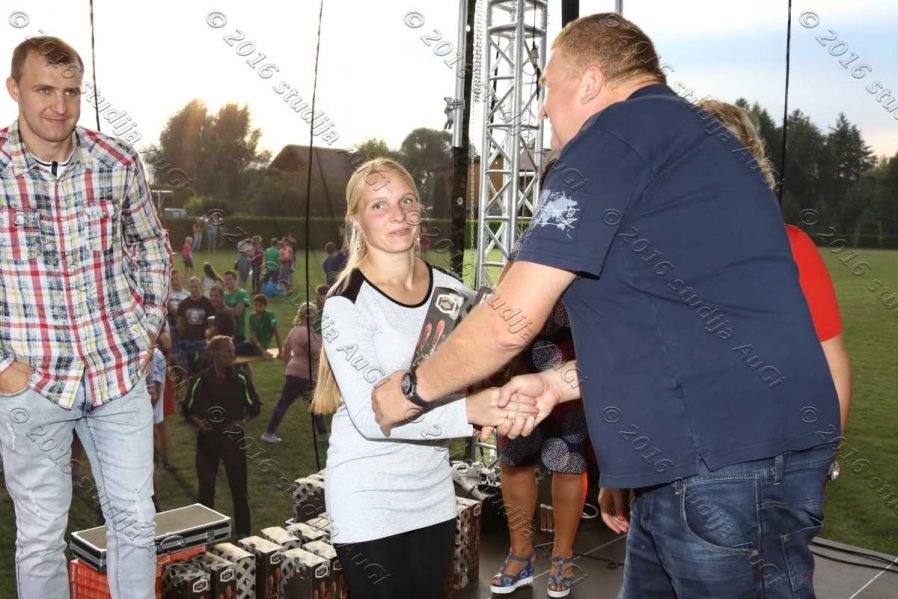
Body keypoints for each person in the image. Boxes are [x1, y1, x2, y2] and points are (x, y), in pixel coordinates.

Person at [372, 14, 842, 598]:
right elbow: (682, 330)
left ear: (590, 82)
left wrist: (411, 390)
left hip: (717, 467)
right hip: (735, 457)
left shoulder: (610, 139)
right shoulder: (711, 143)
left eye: (548, 87)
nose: (542, 109)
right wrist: (555, 385)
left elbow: (510, 320)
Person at [310, 158, 537, 598]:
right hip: (367, 499)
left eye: (406, 201)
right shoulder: (345, 303)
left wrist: (492, 391)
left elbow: (479, 363)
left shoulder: (451, 290)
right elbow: (374, 418)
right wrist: (469, 412)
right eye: (379, 205)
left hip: (433, 493)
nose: (397, 214)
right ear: (355, 220)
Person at [0, 36, 171, 598]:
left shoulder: (116, 161)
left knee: (136, 522)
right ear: (14, 89)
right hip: (31, 383)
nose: (60, 105)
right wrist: (3, 367)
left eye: (71, 91)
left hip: (116, 375)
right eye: (44, 89)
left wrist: (144, 332)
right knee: (40, 537)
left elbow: (151, 245)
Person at [696, 99, 852, 432]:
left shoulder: (791, 247)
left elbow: (831, 359)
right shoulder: (652, 252)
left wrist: (827, 449)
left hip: (774, 446)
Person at [489, 159, 590, 598]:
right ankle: (520, 555)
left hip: (574, 369)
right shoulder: (528, 240)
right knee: (515, 460)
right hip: (522, 366)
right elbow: (500, 302)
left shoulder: (597, 238)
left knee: (569, 463)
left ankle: (563, 556)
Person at [183, 336, 260, 538]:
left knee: (239, 488)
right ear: (214, 353)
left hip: (233, 439)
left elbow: (255, 406)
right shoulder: (201, 380)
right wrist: (198, 421)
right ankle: (204, 533)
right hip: (208, 440)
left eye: (233, 350)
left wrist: (241, 422)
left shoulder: (241, 378)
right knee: (206, 488)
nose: (232, 354)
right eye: (228, 351)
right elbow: (187, 408)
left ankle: (243, 533)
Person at [262, 303, 322, 444]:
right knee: (314, 405)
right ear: (312, 316)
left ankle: (269, 432)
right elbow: (315, 352)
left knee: (284, 403)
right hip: (306, 375)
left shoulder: (294, 330)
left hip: (293, 372)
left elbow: (285, 350)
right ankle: (324, 434)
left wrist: (288, 367)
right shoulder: (309, 333)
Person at [177, 277, 215, 374]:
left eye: (196, 287)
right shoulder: (184, 303)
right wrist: (181, 337)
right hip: (187, 341)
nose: (193, 289)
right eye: (191, 287)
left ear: (200, 286)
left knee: (203, 368)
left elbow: (211, 323)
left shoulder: (207, 303)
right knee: (186, 369)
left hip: (202, 340)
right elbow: (179, 323)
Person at [167, 269, 190, 361]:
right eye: (172, 280)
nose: (174, 282)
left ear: (181, 279)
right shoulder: (167, 294)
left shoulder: (187, 295)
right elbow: (170, 309)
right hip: (171, 319)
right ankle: (175, 354)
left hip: (184, 319)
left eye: (176, 279)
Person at [222, 271, 251, 344]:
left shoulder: (241, 293)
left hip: (238, 333)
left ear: (235, 280)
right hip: (224, 331)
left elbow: (237, 312)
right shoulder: (224, 295)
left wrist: (223, 311)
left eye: (230, 279)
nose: (227, 282)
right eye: (225, 279)